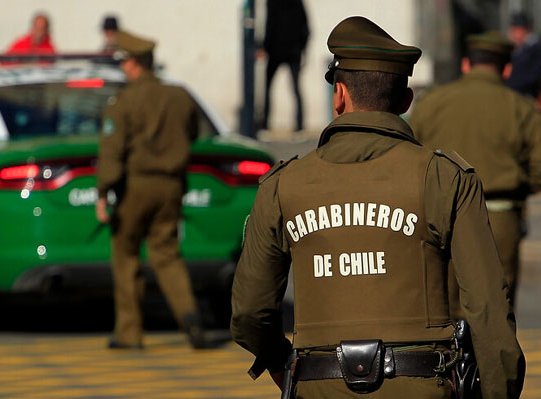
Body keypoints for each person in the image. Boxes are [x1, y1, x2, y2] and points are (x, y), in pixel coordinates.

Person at [231, 16, 525, 398]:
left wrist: (283, 364)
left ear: (339, 95)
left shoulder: (282, 186)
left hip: (319, 386)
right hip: (425, 385)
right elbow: (487, 309)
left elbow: (249, 312)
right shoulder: (444, 177)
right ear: (405, 100)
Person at [410, 31, 541, 309]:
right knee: (495, 308)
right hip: (499, 216)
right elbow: (538, 167)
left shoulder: (430, 103)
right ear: (507, 68)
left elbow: (409, 154)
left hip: (440, 218)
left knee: (444, 307)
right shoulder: (521, 108)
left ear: (465, 65)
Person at [95, 30, 207, 350]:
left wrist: (103, 192)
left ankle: (129, 333)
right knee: (167, 254)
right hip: (171, 185)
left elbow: (112, 152)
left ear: (133, 64)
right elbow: (193, 133)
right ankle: (190, 317)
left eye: (124, 62)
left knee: (126, 254)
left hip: (136, 186)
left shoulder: (124, 102)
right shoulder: (179, 95)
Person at [260, 0, 309, 132]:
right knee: (296, 88)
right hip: (293, 51)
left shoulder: (272, 2)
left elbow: (270, 25)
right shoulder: (297, 3)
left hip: (276, 50)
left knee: (268, 87)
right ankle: (299, 125)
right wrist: (302, 49)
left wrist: (265, 47)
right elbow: (305, 28)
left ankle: (265, 123)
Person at [506, 11, 541, 103]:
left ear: (523, 30)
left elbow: (532, 77)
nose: (512, 34)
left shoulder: (535, 49)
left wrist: (508, 84)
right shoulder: (519, 49)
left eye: (515, 30)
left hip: (528, 97)